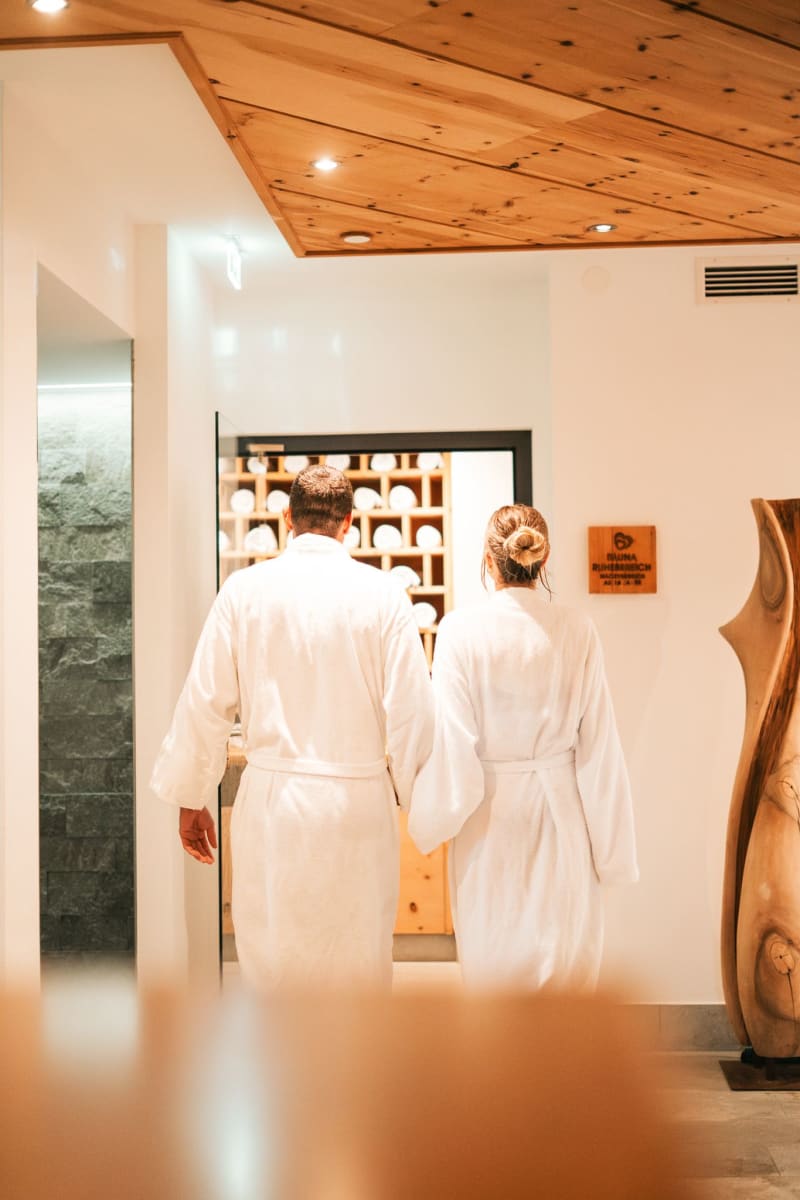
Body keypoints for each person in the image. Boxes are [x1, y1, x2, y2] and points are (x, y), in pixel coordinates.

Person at [151, 464, 434, 989]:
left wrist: (192, 796)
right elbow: (413, 711)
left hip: (275, 809)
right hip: (357, 809)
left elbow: (207, 699)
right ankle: (354, 1071)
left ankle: (278, 1068)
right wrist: (429, 805)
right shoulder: (384, 594)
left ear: (287, 519)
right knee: (359, 963)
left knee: (273, 962)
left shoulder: (245, 590)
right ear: (348, 522)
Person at [408, 504, 638, 990]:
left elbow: (452, 740)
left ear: (489, 563)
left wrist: (432, 818)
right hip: (562, 813)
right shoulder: (576, 628)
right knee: (564, 963)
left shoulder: (460, 629)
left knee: (495, 961)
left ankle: (498, 1066)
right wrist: (613, 852)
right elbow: (599, 745)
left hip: (489, 818)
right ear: (543, 560)